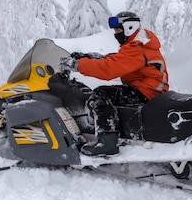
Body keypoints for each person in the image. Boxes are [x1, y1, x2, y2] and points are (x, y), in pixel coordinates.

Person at [59, 11, 169, 156]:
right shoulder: (139, 43)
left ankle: (107, 142)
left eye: (118, 30)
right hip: (147, 89)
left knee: (100, 95)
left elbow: (109, 69)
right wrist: (88, 57)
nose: (116, 34)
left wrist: (76, 65)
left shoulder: (138, 47)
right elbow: (117, 60)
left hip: (146, 92)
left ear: (129, 27)